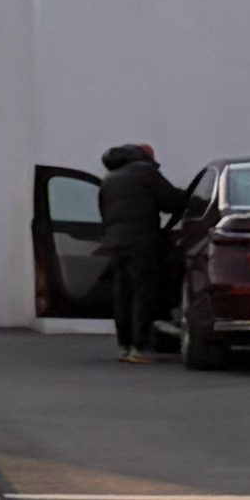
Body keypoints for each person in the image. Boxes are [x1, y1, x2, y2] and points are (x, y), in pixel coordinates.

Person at [99, 138, 185, 358]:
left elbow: (105, 213)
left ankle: (124, 346)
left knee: (122, 296)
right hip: (142, 243)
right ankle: (140, 347)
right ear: (145, 157)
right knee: (143, 294)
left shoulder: (109, 179)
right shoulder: (145, 172)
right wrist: (191, 198)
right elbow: (170, 202)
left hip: (115, 245)